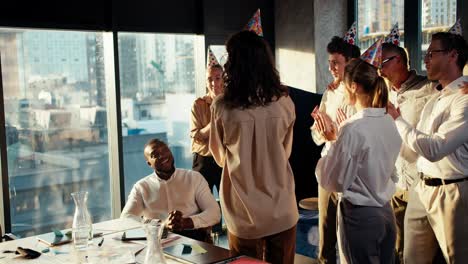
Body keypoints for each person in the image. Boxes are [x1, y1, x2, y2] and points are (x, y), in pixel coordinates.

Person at [209, 30, 298, 264]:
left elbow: (219, 157)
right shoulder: (284, 102)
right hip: (282, 206)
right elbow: (285, 151)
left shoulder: (222, 107)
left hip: (242, 211)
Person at [387, 32, 468, 263]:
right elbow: (417, 146)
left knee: (457, 258)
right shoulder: (435, 97)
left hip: (451, 192)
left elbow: (435, 149)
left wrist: (396, 118)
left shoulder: (464, 98)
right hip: (420, 187)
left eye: (432, 53)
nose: (426, 59)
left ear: (453, 56)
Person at [314, 58, 401, 264]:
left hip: (361, 219)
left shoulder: (353, 128)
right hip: (386, 213)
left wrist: (332, 142)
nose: (342, 91)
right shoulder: (389, 121)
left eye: (344, 85)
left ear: (353, 86)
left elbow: (333, 181)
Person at [380, 42, 437, 263]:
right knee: (396, 243)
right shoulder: (383, 92)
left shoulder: (429, 89)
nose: (380, 70)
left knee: (422, 248)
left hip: (421, 182)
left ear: (400, 61)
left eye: (383, 63)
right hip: (394, 180)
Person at [311, 36, 360, 264]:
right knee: (325, 237)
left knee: (349, 242)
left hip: (353, 175)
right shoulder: (329, 93)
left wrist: (337, 133)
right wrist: (322, 130)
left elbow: (360, 139)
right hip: (328, 167)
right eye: (329, 62)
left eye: (336, 62)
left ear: (350, 63)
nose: (330, 68)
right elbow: (314, 136)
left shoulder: (362, 95)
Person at [121, 138, 221, 242]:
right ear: (149, 164)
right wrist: (162, 224)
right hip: (158, 240)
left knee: (196, 254)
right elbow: (126, 219)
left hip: (193, 239)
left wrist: (185, 222)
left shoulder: (194, 177)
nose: (162, 156)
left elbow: (214, 213)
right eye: (155, 155)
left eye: (164, 150)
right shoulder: (141, 187)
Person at [190, 64, 224, 194]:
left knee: (231, 204)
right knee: (201, 203)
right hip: (204, 160)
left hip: (226, 159)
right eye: (210, 79)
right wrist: (215, 121)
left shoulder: (232, 103)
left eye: (217, 78)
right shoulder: (198, 104)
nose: (214, 83)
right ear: (205, 82)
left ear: (223, 79)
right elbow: (196, 136)